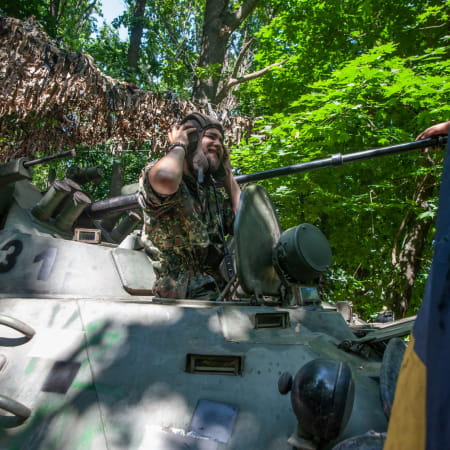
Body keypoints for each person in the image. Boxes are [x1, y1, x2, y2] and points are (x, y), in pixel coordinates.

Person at [138, 112, 241, 300]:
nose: (219, 144)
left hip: (218, 288)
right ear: (192, 139)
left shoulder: (210, 193)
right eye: (211, 136)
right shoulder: (160, 172)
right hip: (180, 291)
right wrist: (178, 145)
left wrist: (227, 176)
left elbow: (245, 223)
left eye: (221, 140)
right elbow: (166, 179)